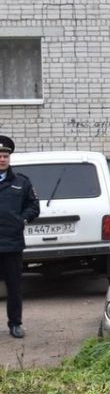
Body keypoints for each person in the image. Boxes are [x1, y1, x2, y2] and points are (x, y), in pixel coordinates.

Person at [0, 136, 40, 339]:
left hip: (12, 244)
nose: (2, 159)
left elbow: (33, 206)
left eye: (5, 155)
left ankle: (15, 324)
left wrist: (22, 220)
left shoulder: (21, 182)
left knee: (14, 288)